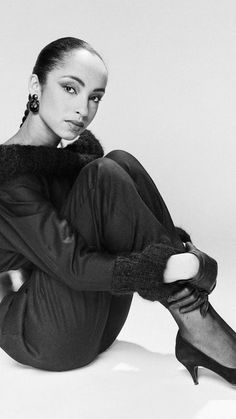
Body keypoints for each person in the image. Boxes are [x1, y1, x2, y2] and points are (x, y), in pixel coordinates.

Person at [0, 37, 235, 384]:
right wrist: (163, 268)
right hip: (46, 335)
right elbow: (73, 265)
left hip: (97, 322)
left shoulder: (72, 159)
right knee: (103, 172)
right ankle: (197, 323)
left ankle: (194, 318)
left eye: (95, 97)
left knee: (118, 162)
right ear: (36, 85)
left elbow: (111, 225)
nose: (84, 108)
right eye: (69, 88)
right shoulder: (9, 177)